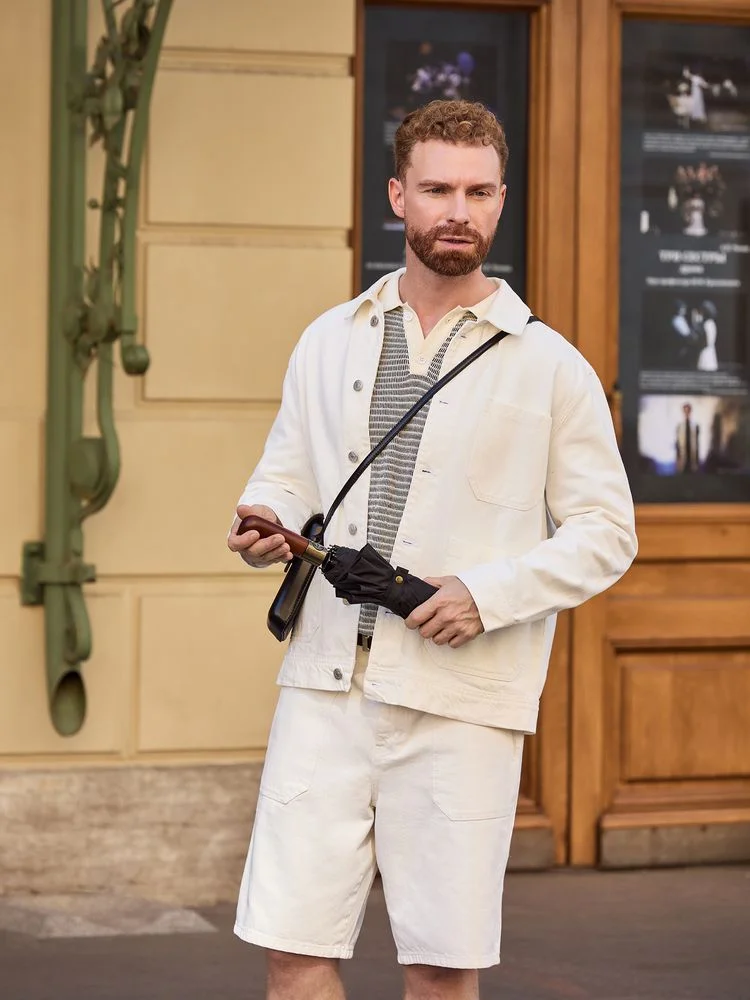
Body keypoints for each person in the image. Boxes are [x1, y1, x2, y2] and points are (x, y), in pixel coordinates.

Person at [226, 99, 637, 1000]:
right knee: (291, 954)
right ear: (397, 196)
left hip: (460, 702)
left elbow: (608, 534)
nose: (459, 211)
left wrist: (486, 594)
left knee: (441, 970)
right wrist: (265, 521)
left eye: (479, 192)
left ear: (501, 200)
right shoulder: (329, 340)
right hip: (325, 686)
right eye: (438, 189)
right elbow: (288, 474)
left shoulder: (550, 365)